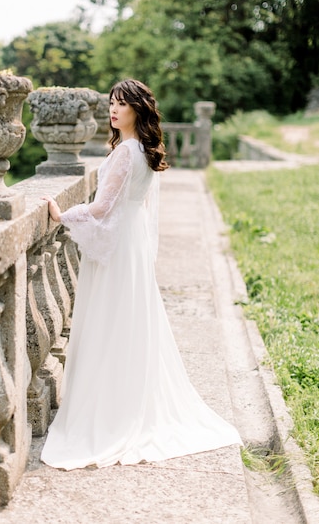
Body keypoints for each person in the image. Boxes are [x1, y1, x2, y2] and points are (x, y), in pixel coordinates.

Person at [40, 78, 242, 470]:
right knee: (127, 322)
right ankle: (124, 399)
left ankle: (111, 411)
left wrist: (62, 216)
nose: (113, 111)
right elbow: (133, 207)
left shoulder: (124, 154)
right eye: (112, 104)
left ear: (138, 110)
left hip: (119, 250)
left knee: (109, 322)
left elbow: (100, 208)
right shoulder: (144, 151)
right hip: (129, 243)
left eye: (122, 105)